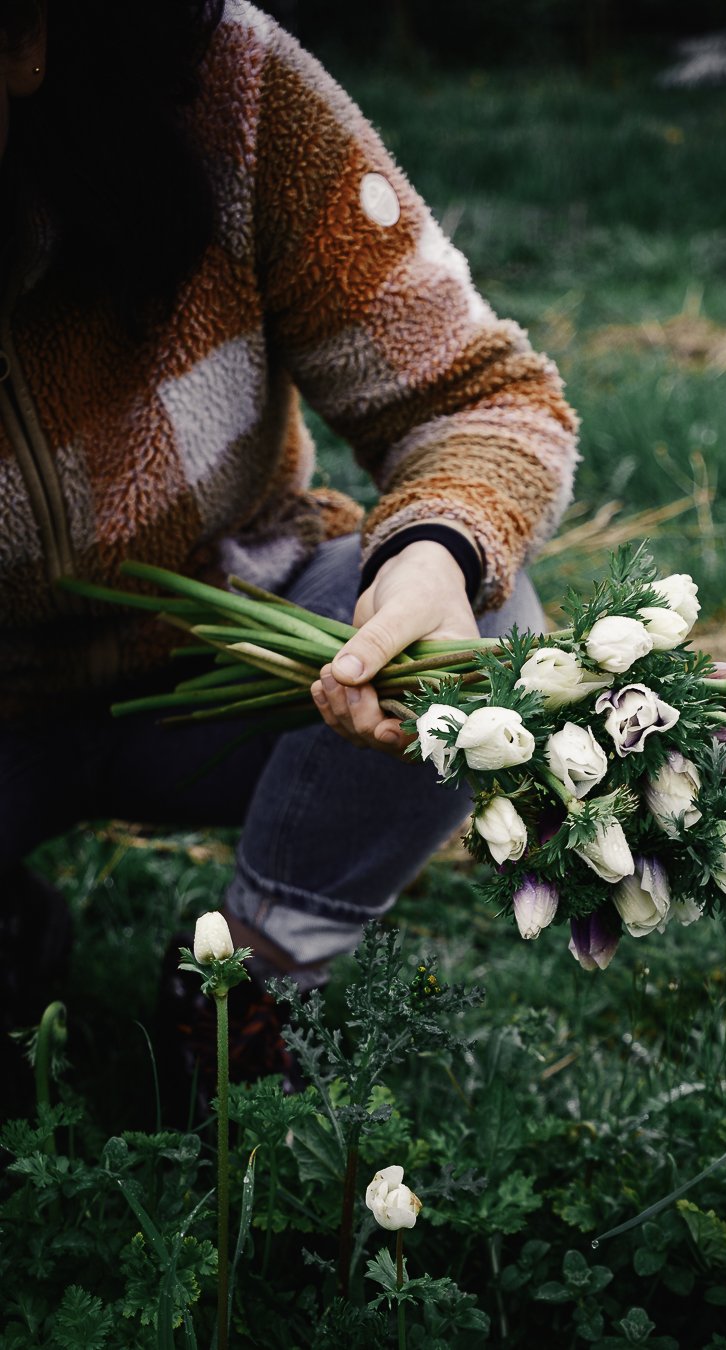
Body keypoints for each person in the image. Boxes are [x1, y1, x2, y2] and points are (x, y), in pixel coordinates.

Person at [0, 0, 578, 1108]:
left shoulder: (233, 95)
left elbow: (479, 396)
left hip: (226, 652)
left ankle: (252, 987)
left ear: (25, 34)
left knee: (483, 636)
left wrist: (433, 556)